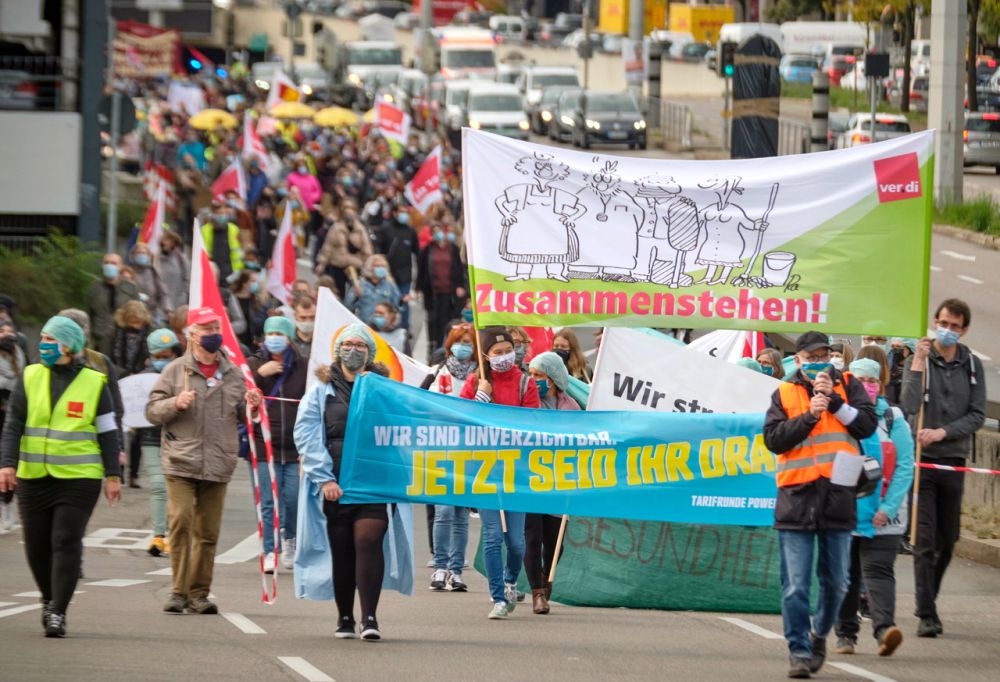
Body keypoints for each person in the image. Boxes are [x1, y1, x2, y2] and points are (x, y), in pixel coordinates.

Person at [763, 331, 877, 679]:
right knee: (796, 585)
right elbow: (773, 440)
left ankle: (818, 636)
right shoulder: (783, 392)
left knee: (838, 583)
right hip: (796, 500)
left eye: (824, 355)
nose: (818, 362)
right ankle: (798, 650)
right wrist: (809, 417)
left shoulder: (850, 386)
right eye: (811, 357)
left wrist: (835, 403)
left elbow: (867, 426)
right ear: (797, 361)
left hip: (838, 500)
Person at [0, 316, 122, 637]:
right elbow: (13, 424)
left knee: (65, 540)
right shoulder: (29, 376)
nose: (43, 345)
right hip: (33, 475)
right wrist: (7, 463)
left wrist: (113, 474)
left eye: (49, 339)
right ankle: (47, 597)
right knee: (37, 547)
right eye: (41, 338)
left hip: (78, 478)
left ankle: (58, 611)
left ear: (68, 345)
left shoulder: (95, 382)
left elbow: (109, 432)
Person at [293, 324, 414, 641]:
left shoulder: (383, 389)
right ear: (338, 349)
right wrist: (324, 478)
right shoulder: (320, 390)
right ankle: (344, 617)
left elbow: (402, 429)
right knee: (343, 549)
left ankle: (370, 617)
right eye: (348, 343)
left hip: (373, 481)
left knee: (368, 540)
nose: (354, 349)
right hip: (336, 484)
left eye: (361, 345)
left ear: (370, 353)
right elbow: (306, 434)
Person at [145, 306, 260, 615]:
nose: (213, 335)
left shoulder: (234, 374)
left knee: (208, 532)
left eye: (216, 329)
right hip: (181, 459)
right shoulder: (175, 371)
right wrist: (175, 403)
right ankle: (178, 591)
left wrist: (253, 405)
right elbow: (152, 411)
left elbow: (248, 419)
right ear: (191, 335)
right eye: (206, 329)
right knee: (180, 521)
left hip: (218, 462)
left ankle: (199, 594)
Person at [901, 298, 986, 638]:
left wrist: (944, 432)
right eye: (944, 323)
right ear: (935, 321)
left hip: (953, 460)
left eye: (955, 326)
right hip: (922, 463)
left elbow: (978, 414)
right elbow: (908, 404)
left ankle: (928, 597)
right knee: (922, 539)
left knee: (947, 538)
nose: (948, 331)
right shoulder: (919, 359)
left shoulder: (972, 365)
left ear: (964, 330)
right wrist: (918, 363)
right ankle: (926, 612)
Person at [834, 355, 913, 658]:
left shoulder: (893, 419)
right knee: (847, 573)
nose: (865, 385)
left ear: (880, 385)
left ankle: (884, 630)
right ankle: (845, 634)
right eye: (859, 380)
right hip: (849, 511)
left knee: (879, 570)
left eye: (871, 380)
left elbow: (905, 467)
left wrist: (888, 508)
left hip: (886, 515)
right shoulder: (838, 416)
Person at [460, 327, 540, 619]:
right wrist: (481, 396)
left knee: (516, 542)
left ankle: (510, 579)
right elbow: (461, 420)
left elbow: (532, 424)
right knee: (492, 535)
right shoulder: (475, 382)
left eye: (508, 350)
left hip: (516, 470)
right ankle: (498, 597)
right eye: (497, 352)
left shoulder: (525, 384)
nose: (504, 356)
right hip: (484, 469)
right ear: (485, 356)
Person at [248, 316, 307, 572]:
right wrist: (260, 375)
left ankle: (290, 540)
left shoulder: (303, 366)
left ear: (289, 337)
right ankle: (269, 550)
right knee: (268, 501)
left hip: (294, 448)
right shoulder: (253, 365)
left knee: (292, 500)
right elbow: (243, 403)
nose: (274, 338)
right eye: (269, 333)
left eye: (279, 333)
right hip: (264, 447)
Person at [525, 351, 579, 614]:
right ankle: (537, 592)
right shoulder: (526, 403)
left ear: (554, 377)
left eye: (539, 375)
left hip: (559, 482)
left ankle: (547, 578)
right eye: (531, 374)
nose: (533, 380)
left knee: (555, 541)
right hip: (530, 481)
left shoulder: (572, 409)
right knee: (532, 538)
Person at [140, 329, 182, 557]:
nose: (162, 361)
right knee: (158, 484)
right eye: (157, 356)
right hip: (151, 439)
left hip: (179, 438)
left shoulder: (186, 375)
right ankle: (158, 535)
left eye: (167, 355)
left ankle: (176, 535)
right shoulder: (141, 380)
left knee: (176, 489)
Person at [416, 224, 466, 358]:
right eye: (435, 232)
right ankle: (432, 345)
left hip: (449, 290)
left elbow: (458, 268)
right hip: (431, 291)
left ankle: (444, 346)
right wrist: (418, 288)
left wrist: (460, 285)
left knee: (446, 319)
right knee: (433, 319)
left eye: (440, 231)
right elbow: (421, 270)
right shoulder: (427, 250)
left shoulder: (453, 249)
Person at [86, 252, 140, 356]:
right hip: (100, 340)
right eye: (106, 263)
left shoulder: (130, 288)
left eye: (113, 263)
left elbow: (138, 314)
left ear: (121, 267)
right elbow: (89, 314)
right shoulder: (95, 288)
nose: (109, 266)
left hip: (124, 340)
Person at [375, 204, 419, 329]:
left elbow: (417, 254)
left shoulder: (411, 231)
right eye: (401, 211)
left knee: (403, 304)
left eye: (406, 212)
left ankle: (403, 329)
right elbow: (378, 249)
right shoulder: (386, 229)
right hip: (387, 275)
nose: (404, 215)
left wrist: (417, 284)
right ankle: (386, 327)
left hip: (405, 275)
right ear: (395, 213)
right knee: (387, 303)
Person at [315, 205, 373, 297]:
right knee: (338, 289)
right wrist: (322, 263)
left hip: (355, 264)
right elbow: (328, 246)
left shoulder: (360, 229)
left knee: (354, 291)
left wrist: (367, 263)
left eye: (351, 213)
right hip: (338, 264)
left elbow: (366, 247)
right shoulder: (336, 227)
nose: (349, 215)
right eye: (347, 213)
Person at [0, 320, 23, 533]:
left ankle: (8, 506)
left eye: (10, 332)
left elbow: (23, 382)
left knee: (6, 463)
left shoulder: (19, 355)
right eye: (2, 332)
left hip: (11, 420)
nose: (7, 336)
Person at [345, 255, 401, 326]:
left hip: (384, 327)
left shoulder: (390, 285)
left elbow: (396, 305)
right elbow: (347, 306)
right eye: (377, 266)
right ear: (370, 267)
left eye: (383, 266)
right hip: (365, 325)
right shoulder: (360, 285)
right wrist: (355, 296)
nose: (381, 268)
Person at [424, 324, 477, 397]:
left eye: (466, 342)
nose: (460, 345)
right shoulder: (437, 370)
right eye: (456, 341)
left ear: (475, 346)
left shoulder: (482, 374)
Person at [201, 201, 244, 283]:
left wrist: (237, 270)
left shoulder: (233, 229)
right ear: (213, 214)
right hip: (212, 271)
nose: (221, 216)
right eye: (218, 213)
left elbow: (237, 251)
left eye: (223, 213)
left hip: (229, 272)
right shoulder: (205, 230)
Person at [130, 242, 171, 324]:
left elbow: (163, 294)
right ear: (133, 256)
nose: (141, 255)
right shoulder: (128, 271)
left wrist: (167, 310)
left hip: (152, 315)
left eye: (144, 253)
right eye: (138, 253)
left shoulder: (153, 273)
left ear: (149, 256)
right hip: (132, 315)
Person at [111, 300, 153, 378]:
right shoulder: (114, 332)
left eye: (138, 322)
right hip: (119, 376)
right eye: (132, 322)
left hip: (143, 375)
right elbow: (109, 360)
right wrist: (124, 374)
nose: (136, 326)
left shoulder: (151, 333)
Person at [157, 230, 190, 311]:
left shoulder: (181, 259)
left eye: (167, 240)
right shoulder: (156, 258)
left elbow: (187, 279)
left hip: (177, 303)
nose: (164, 242)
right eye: (163, 240)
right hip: (160, 305)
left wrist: (183, 299)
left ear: (174, 242)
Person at [290, 293, 316, 358]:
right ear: (295, 316)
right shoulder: (288, 340)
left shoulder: (324, 339)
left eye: (312, 317)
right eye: (303, 318)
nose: (308, 321)